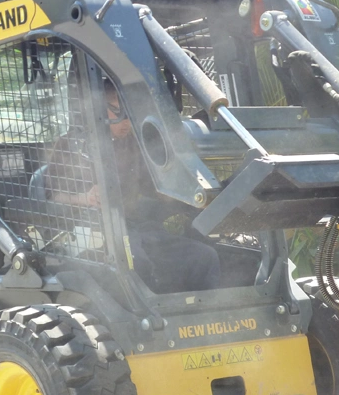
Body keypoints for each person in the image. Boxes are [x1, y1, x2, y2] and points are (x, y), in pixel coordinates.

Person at [44, 81, 221, 293]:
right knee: (134, 261)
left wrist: (193, 195)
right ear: (97, 108)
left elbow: (157, 190)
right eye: (118, 111)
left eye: (130, 112)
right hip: (95, 234)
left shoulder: (134, 143)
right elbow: (52, 197)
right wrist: (86, 198)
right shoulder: (68, 145)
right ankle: (150, 318)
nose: (126, 121)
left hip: (140, 230)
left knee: (203, 257)